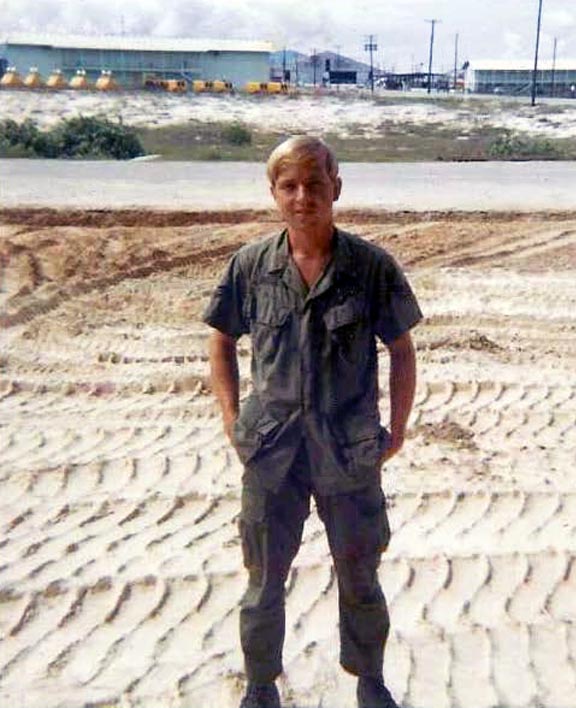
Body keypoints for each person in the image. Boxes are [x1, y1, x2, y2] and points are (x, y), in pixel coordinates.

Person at [203, 136, 422, 708]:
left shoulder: (370, 267)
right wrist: (232, 419)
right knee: (263, 577)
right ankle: (259, 686)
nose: (303, 197)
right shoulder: (250, 266)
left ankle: (370, 681)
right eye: (290, 186)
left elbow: (402, 348)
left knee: (359, 571)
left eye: (315, 185)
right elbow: (220, 340)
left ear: (336, 190)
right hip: (272, 452)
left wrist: (396, 430)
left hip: (348, 453)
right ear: (274, 193)